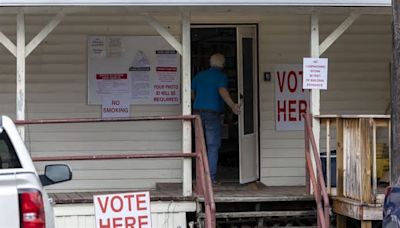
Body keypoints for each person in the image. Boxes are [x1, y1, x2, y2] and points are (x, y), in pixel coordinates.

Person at [191, 53, 240, 184]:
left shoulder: (199, 76)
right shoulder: (221, 76)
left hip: (197, 112)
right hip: (212, 113)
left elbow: (190, 92)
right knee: (212, 145)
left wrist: (198, 101)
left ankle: (199, 177)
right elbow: (222, 91)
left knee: (199, 144)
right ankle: (210, 179)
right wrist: (233, 106)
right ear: (223, 64)